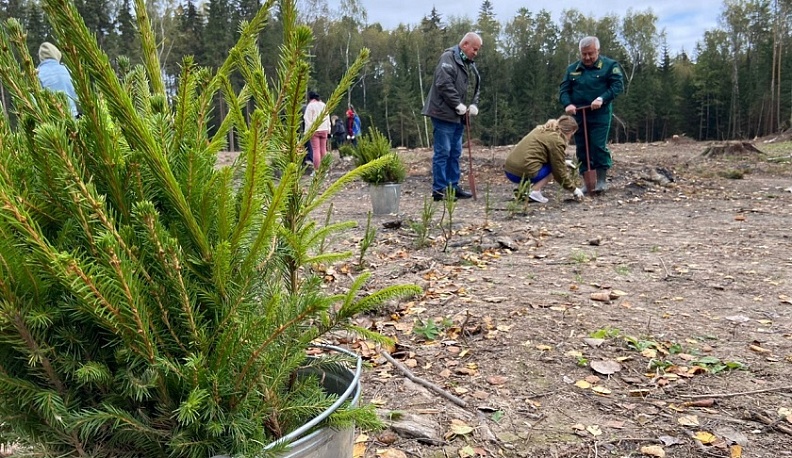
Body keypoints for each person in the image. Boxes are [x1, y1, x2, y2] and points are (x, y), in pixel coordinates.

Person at [559, 36, 624, 193]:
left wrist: (602, 98)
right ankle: (588, 182)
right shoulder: (572, 69)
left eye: (591, 54)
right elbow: (564, 90)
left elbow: (617, 86)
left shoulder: (609, 66)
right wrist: (568, 104)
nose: (587, 57)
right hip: (579, 115)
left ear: (598, 51)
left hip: (600, 113)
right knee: (582, 148)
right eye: (584, 54)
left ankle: (601, 180)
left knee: (597, 145)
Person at [422, 32, 481, 201]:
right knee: (443, 152)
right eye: (474, 49)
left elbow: (475, 86)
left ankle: (453, 186)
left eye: (477, 50)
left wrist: (474, 104)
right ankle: (439, 189)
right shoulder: (448, 58)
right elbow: (444, 84)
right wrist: (457, 104)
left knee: (455, 152)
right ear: (465, 45)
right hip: (443, 114)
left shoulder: (469, 64)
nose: (475, 53)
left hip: (459, 117)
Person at [504, 116, 584, 204]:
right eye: (572, 134)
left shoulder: (541, 130)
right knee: (553, 168)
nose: (570, 137)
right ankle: (534, 192)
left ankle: (523, 191)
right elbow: (558, 171)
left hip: (509, 170)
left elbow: (536, 155)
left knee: (533, 163)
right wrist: (574, 189)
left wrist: (564, 162)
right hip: (521, 173)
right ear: (569, 131)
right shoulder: (557, 140)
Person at [37, 41, 78, 117]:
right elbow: (76, 95)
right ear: (56, 55)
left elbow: (37, 100)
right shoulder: (66, 69)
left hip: (50, 120)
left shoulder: (37, 73)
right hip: (72, 115)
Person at [303, 91, 331, 171]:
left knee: (316, 150)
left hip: (315, 130)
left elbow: (307, 119)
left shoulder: (310, 106)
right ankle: (325, 169)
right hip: (324, 129)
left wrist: (307, 132)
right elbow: (327, 117)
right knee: (323, 149)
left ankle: (317, 170)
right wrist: (329, 129)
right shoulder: (323, 105)